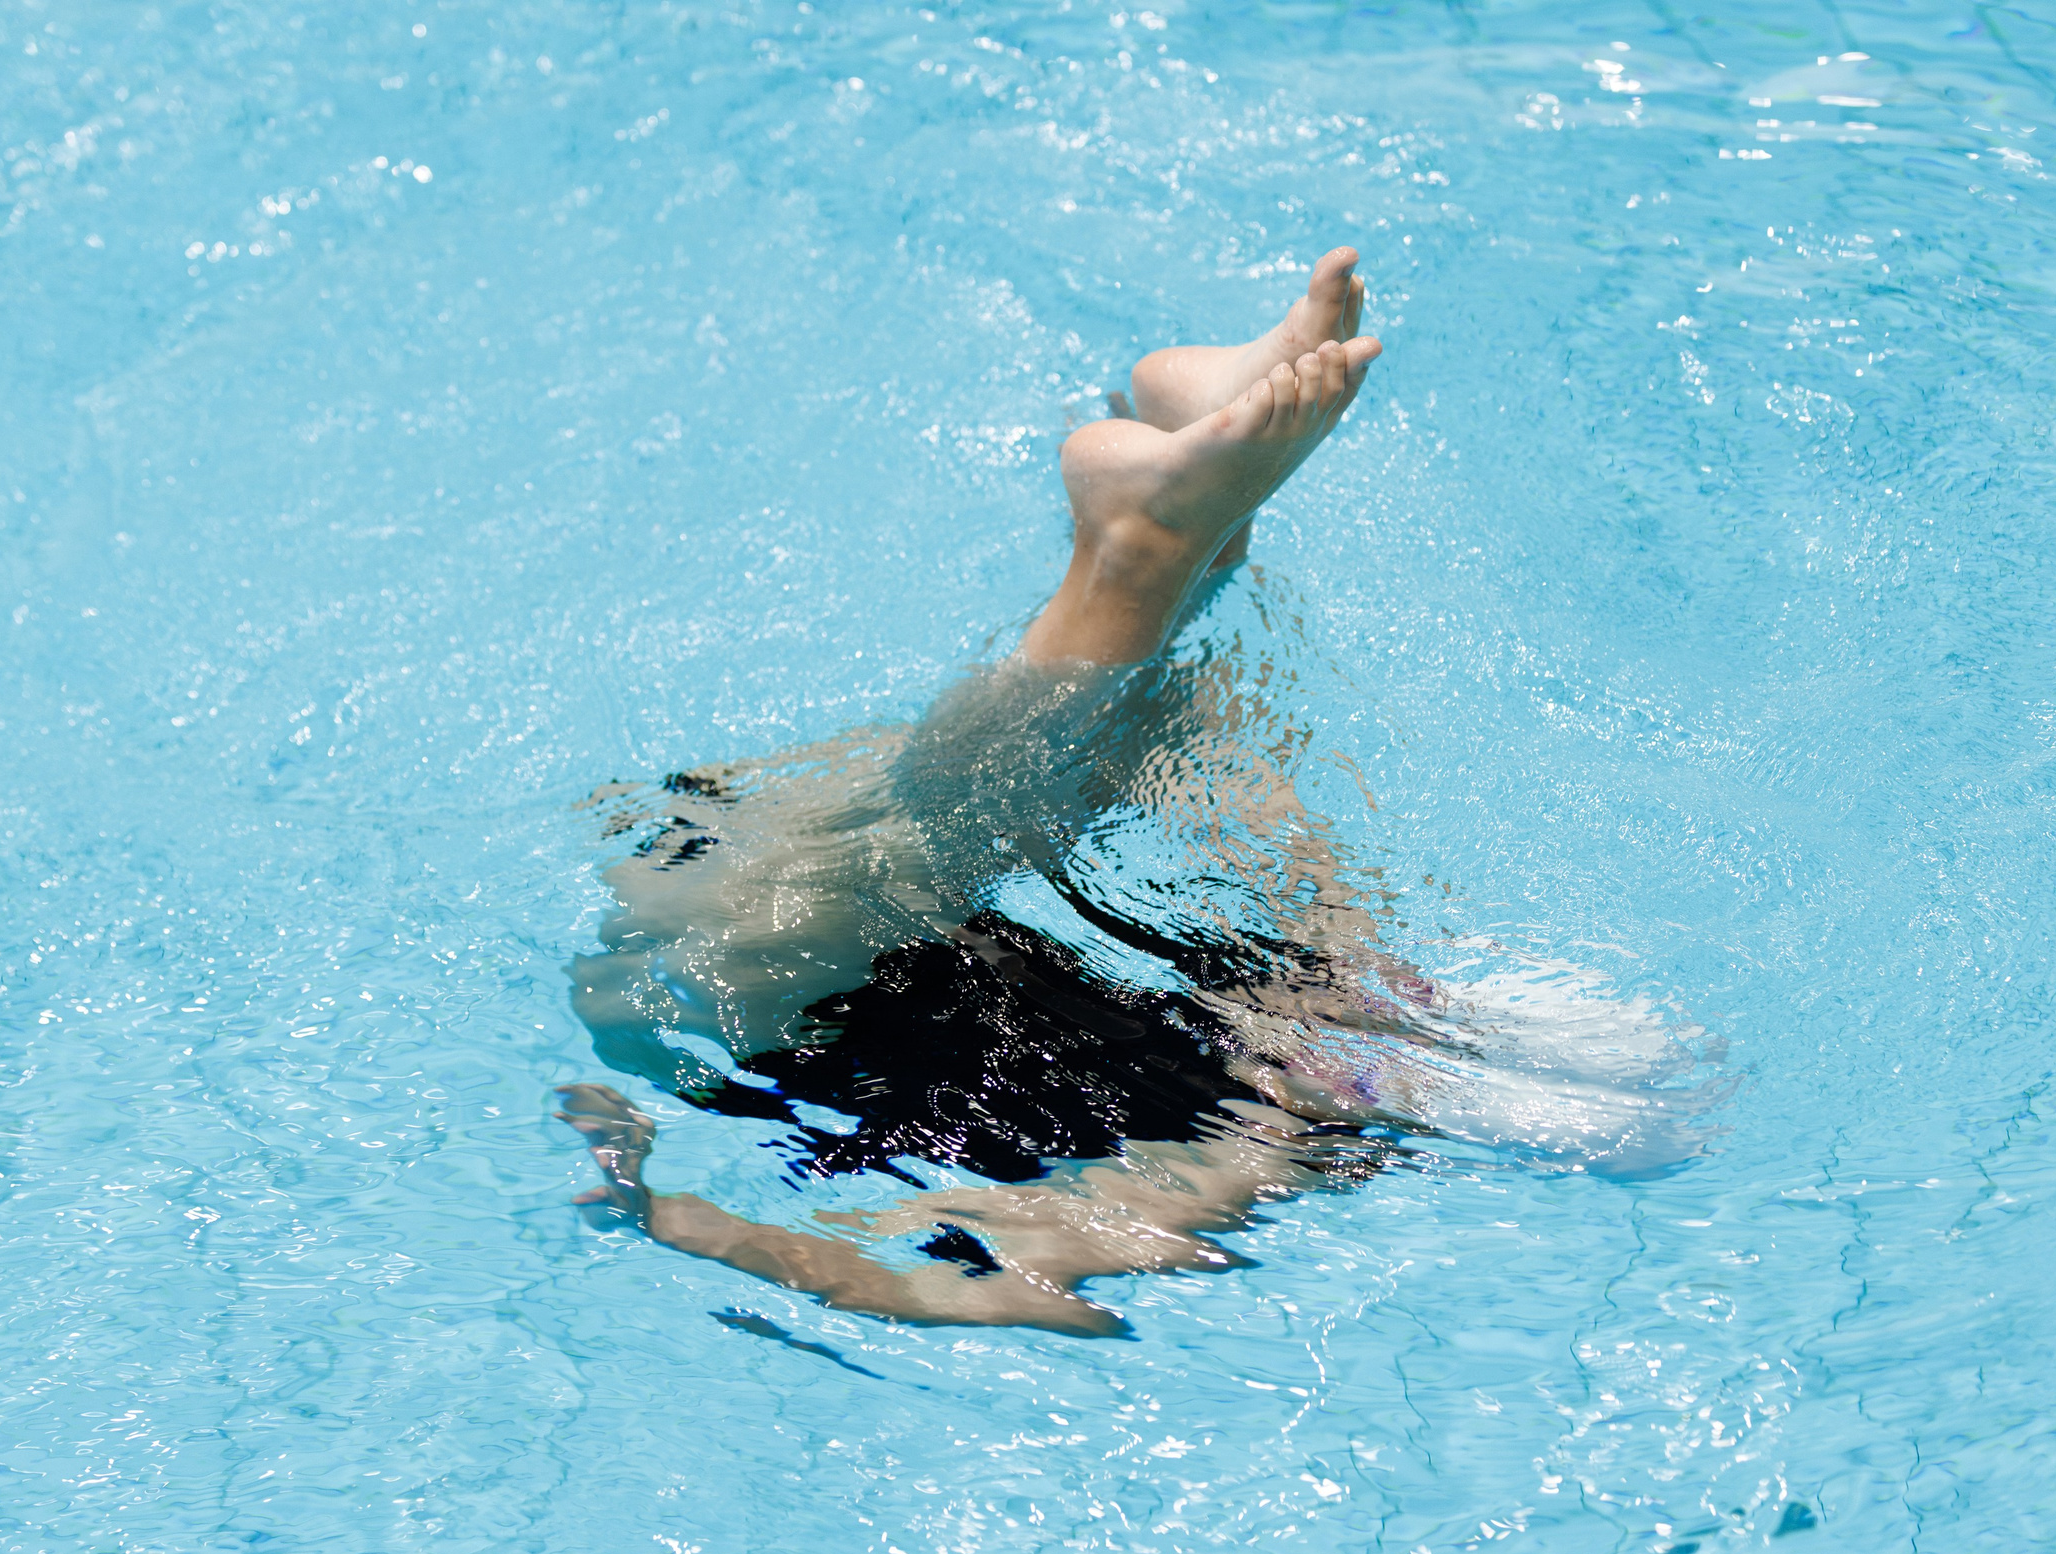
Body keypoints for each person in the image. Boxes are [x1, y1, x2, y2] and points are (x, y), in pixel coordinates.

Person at [556, 250, 1622, 1336]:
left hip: (724, 976)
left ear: (1396, 1113)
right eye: (1415, 1002)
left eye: (1390, 1039)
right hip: (761, 893)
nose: (1367, 1003)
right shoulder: (1300, 986)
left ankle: (1153, 536)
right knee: (1126, 749)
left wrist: (676, 1220)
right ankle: (1174, 512)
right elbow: (1225, 753)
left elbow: (958, 1288)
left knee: (1001, 814)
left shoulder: (1233, 1166)